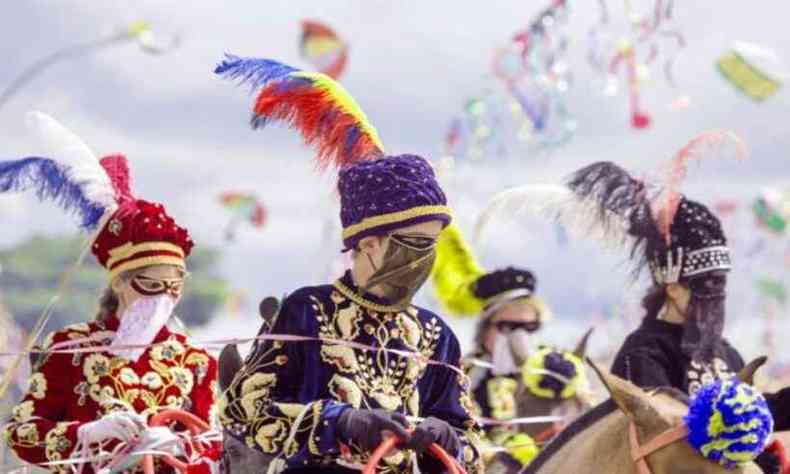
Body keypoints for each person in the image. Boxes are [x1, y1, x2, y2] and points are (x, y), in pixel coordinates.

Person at [215, 56, 483, 473]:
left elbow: (471, 444)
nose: (426, 257)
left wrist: (449, 438)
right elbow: (241, 414)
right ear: (369, 243)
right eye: (416, 243)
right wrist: (339, 421)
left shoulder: (437, 336)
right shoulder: (306, 311)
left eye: (433, 244)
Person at [1, 113, 218, 473]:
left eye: (174, 286)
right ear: (118, 282)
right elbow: (21, 435)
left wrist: (177, 446)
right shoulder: (70, 348)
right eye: (150, 284)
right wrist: (84, 433)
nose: (163, 296)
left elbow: (213, 446)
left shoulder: (195, 359)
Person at [566, 160, 790, 473]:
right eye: (705, 285)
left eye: (720, 284)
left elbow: (749, 415)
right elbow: (673, 433)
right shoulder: (643, 352)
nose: (715, 295)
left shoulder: (725, 352)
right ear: (672, 287)